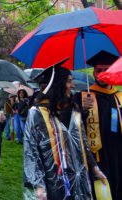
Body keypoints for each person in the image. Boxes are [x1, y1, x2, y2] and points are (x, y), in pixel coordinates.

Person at [23, 60, 105, 200]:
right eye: (68, 81)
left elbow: (82, 143)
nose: (72, 86)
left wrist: (94, 168)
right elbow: (31, 152)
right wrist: (39, 185)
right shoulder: (37, 113)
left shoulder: (74, 110)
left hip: (79, 178)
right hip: (53, 182)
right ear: (58, 84)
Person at [74, 50, 122, 200]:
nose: (102, 74)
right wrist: (81, 110)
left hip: (118, 153)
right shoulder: (83, 96)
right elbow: (70, 127)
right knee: (99, 191)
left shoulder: (119, 97)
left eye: (106, 70)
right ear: (94, 73)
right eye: (98, 70)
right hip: (96, 155)